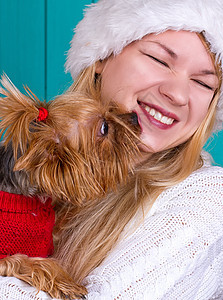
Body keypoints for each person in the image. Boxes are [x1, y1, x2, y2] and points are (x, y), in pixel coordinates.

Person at [0, 0, 223, 299]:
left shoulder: (205, 200)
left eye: (202, 82)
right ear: (103, 55)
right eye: (160, 60)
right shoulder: (45, 187)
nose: (177, 93)